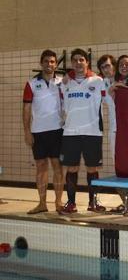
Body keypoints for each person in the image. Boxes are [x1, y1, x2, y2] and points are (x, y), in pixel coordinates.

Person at [58, 48, 107, 214]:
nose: (78, 63)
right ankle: (71, 203)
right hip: (70, 132)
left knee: (92, 169)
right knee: (72, 169)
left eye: (81, 60)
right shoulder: (64, 83)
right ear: (72, 63)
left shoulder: (98, 80)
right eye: (75, 60)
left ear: (87, 62)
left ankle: (93, 202)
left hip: (92, 132)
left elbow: (110, 98)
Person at [22, 50, 64, 214]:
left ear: (56, 64)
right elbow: (26, 109)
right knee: (41, 167)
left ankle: (59, 202)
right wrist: (27, 131)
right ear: (41, 63)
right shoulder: (31, 84)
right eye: (46, 61)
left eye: (52, 61)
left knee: (58, 167)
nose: (49, 64)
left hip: (57, 131)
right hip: (38, 132)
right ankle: (41, 203)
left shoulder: (62, 82)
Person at [96, 54, 126, 214]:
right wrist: (69, 75)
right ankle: (125, 202)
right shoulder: (101, 83)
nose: (107, 69)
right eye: (103, 67)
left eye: (108, 65)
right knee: (118, 169)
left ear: (114, 65)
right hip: (114, 131)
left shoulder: (125, 80)